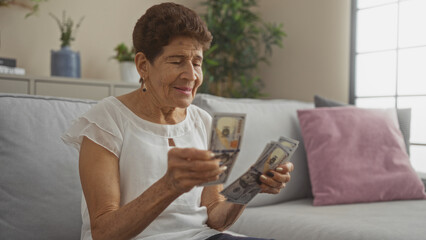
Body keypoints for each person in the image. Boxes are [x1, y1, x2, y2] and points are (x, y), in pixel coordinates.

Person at [62, 2, 294, 240]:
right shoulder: (106, 120)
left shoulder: (202, 122)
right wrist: (169, 185)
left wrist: (252, 185)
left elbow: (215, 217)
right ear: (143, 65)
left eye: (197, 62)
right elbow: (103, 232)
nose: (191, 75)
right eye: (176, 61)